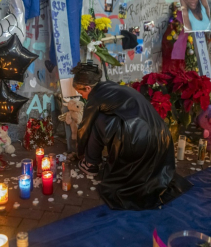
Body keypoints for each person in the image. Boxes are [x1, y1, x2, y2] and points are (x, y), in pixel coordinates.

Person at [72, 63, 192, 211]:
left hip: (139, 141)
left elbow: (85, 126)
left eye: (80, 92)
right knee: (104, 118)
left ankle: (90, 164)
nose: (81, 96)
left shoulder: (95, 97)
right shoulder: (110, 86)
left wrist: (80, 151)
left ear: (88, 88)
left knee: (97, 120)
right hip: (161, 136)